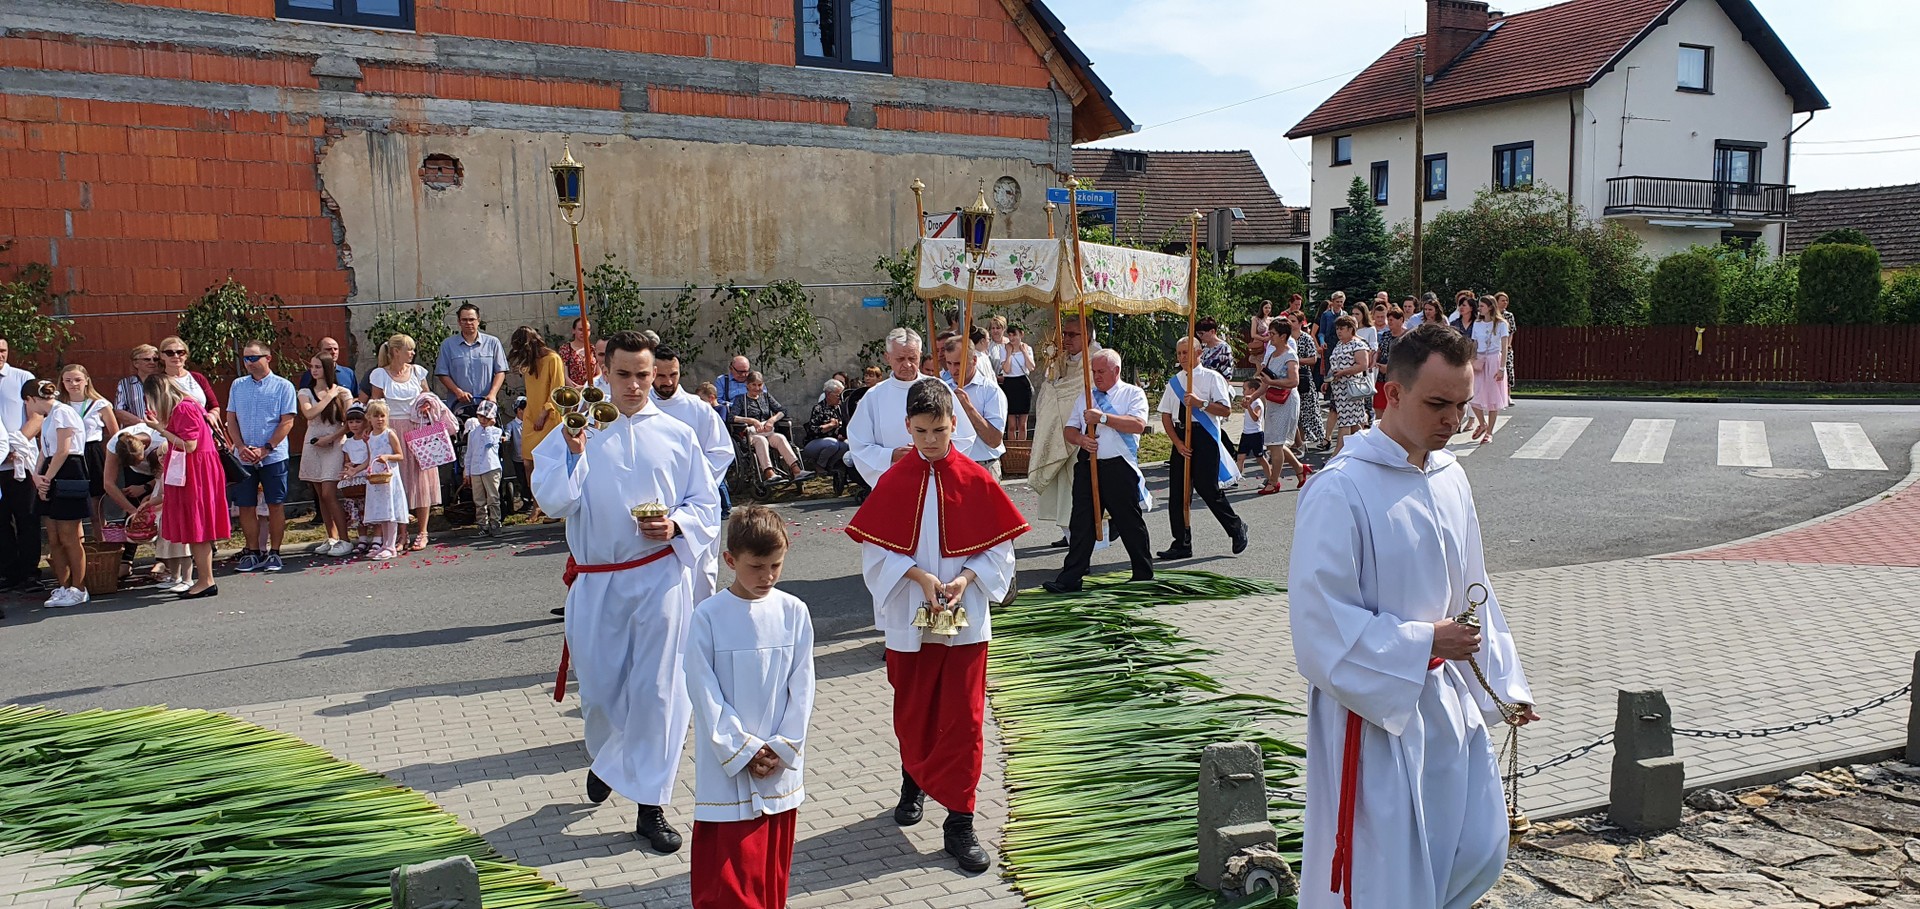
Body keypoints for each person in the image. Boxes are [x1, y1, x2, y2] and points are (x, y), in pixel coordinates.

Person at [1288, 322, 1537, 909]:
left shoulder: (1451, 477)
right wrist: (1423, 642)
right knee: (1384, 872)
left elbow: (1474, 589)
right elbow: (1320, 622)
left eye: (1461, 404)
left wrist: (1504, 687)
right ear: (1393, 394)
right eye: (1437, 404)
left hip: (1445, 699)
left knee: (1474, 846)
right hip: (1373, 710)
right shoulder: (1340, 488)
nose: (1453, 419)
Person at [532, 330, 722, 854]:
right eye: (623, 375)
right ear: (605, 371)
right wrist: (573, 455)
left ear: (653, 373)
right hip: (597, 580)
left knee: (660, 693)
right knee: (600, 693)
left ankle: (650, 806)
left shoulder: (677, 434)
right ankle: (610, 760)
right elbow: (553, 501)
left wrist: (677, 525)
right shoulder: (577, 428)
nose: (634, 386)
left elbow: (706, 504)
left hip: (661, 576)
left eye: (642, 375)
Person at [845, 379, 1026, 873]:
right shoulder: (892, 481)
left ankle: (961, 820)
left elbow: (1000, 551)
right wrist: (921, 577)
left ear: (953, 425)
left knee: (965, 718)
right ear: (907, 426)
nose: (929, 440)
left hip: (966, 619)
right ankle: (914, 779)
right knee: (915, 708)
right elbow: (874, 552)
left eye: (939, 430)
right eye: (921, 430)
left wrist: (965, 579)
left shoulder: (976, 478)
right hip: (910, 612)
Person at [685, 505, 816, 909]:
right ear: (730, 560)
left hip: (777, 764)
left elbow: (803, 687)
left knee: (769, 874)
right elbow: (703, 691)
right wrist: (743, 750)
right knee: (728, 881)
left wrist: (780, 747)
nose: (768, 577)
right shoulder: (708, 616)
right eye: (756, 567)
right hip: (727, 765)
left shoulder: (793, 612)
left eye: (776, 565)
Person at [1043, 348, 1153, 594]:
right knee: (1081, 522)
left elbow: (1138, 425)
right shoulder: (1086, 397)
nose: (1097, 376)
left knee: (1129, 521)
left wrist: (1102, 418)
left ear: (1116, 371)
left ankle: (1143, 573)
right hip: (1088, 464)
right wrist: (1081, 440)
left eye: (1102, 371)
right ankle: (1071, 577)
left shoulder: (1132, 394)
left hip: (1119, 466)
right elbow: (1070, 429)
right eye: (1094, 371)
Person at [651, 347, 736, 604]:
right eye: (661, 376)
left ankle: (700, 625)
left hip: (695, 505)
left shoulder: (698, 409)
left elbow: (721, 452)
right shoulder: (640, 408)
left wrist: (692, 482)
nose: (668, 382)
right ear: (651, 372)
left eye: (673, 375)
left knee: (701, 576)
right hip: (655, 506)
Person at [846, 328, 978, 489]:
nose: (907, 364)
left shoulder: (939, 388)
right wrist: (891, 455)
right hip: (894, 481)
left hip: (934, 480)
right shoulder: (874, 396)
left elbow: (964, 437)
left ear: (920, 355)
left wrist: (933, 453)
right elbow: (859, 445)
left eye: (912, 358)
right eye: (900, 359)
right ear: (888, 357)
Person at [1158, 338, 1248, 560]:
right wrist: (1177, 443)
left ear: (1199, 353)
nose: (1182, 357)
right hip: (1181, 436)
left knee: (1208, 489)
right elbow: (1166, 416)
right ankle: (1181, 542)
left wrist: (1201, 404)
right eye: (1179, 353)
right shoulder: (1175, 382)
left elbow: (1226, 410)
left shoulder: (1211, 378)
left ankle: (1236, 527)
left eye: (1186, 352)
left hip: (1204, 436)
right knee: (1178, 493)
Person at [145, 373, 228, 598]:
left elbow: (189, 445)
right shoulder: (188, 405)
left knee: (197, 526)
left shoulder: (183, 408)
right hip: (194, 469)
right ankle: (205, 580)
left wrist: (159, 428)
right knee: (196, 527)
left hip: (195, 471)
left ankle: (206, 580)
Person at [225, 341, 297, 573]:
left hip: (273, 456)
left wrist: (266, 448)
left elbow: (287, 421)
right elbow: (231, 418)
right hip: (244, 456)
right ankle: (253, 551)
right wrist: (239, 446)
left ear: (268, 358)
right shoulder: (238, 385)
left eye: (254, 358)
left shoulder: (283, 386)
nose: (249, 363)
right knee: (246, 505)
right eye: (246, 358)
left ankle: (274, 552)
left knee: (275, 504)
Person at [1026, 316, 1094, 546]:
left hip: (1082, 435)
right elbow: (1052, 389)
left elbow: (1077, 393)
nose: (1066, 339)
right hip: (1060, 431)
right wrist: (1051, 383)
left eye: (1072, 334)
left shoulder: (1095, 360)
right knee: (1062, 486)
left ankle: (1087, 533)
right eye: (1064, 334)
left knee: (1078, 486)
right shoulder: (1061, 359)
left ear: (1087, 336)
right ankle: (1069, 531)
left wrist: (1053, 391)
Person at [369, 333, 440, 551]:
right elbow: (376, 404)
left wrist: (426, 405)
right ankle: (402, 533)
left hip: (417, 428)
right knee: (398, 481)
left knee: (421, 479)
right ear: (396, 351)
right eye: (409, 349)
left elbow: (428, 396)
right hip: (393, 431)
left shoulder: (417, 371)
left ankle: (423, 531)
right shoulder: (380, 374)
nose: (413, 353)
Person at [26, 380, 89, 607]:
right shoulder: (48, 418)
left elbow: (63, 449)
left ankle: (79, 588)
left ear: (31, 399)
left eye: (27, 403)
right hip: (50, 470)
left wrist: (48, 479)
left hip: (68, 470)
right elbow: (45, 451)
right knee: (53, 536)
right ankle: (63, 586)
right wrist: (38, 476)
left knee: (69, 535)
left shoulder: (63, 412)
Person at [105, 424, 189, 591]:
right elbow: (108, 483)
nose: (139, 464)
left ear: (144, 446)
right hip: (155, 481)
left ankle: (169, 567)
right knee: (144, 519)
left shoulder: (160, 441)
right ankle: (128, 559)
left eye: (139, 460)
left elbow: (169, 476)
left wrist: (146, 488)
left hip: (163, 479)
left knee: (169, 532)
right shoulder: (115, 445)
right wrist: (133, 510)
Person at [508, 326, 566, 524]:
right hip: (530, 418)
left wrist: (544, 412)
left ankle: (555, 508)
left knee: (550, 465)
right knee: (528, 463)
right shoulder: (530, 363)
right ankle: (537, 505)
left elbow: (558, 390)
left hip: (549, 417)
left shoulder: (553, 359)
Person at [298, 355, 353, 558]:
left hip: (334, 443)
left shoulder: (344, 393)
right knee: (320, 493)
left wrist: (331, 438)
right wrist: (329, 396)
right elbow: (309, 413)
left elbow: (349, 422)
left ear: (328, 368)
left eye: (318, 367)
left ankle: (345, 539)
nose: (314, 370)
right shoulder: (305, 392)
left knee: (329, 492)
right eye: (312, 367)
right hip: (313, 444)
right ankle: (332, 537)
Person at [57, 364, 117, 539]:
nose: (73, 384)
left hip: (92, 452)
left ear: (86, 381)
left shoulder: (100, 404)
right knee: (74, 507)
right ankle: (80, 548)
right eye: (68, 380)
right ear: (62, 382)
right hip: (68, 454)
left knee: (95, 507)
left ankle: (102, 545)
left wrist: (113, 460)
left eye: (77, 380)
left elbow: (115, 435)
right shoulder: (59, 406)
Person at [940, 332, 1007, 479]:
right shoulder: (943, 388)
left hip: (983, 466)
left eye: (958, 363)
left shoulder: (991, 391)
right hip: (952, 466)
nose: (953, 370)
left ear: (974, 360)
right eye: (949, 363)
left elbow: (994, 440)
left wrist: (968, 408)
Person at [1255, 324, 1311, 495]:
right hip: (1273, 401)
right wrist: (1252, 397)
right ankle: (1299, 468)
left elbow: (1294, 381)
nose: (1269, 337)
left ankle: (1273, 482)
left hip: (1286, 401)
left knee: (1276, 444)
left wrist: (1273, 382)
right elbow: (1265, 382)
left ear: (1283, 336)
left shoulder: (1290, 355)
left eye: (1273, 334)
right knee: (1274, 443)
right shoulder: (1272, 355)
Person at [729, 371, 811, 484]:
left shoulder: (766, 396)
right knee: (761, 440)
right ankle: (769, 473)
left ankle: (797, 471)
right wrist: (752, 421)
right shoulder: (740, 399)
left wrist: (772, 420)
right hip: (751, 435)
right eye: (753, 385)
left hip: (768, 431)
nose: (757, 388)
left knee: (780, 438)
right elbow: (731, 417)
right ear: (747, 385)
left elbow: (782, 411)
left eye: (759, 385)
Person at [358, 401, 410, 561]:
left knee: (390, 510)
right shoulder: (370, 437)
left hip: (389, 478)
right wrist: (355, 470)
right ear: (369, 418)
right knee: (383, 512)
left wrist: (387, 457)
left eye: (382, 416)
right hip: (377, 480)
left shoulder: (389, 434)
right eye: (376, 416)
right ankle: (384, 544)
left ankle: (391, 546)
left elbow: (400, 455)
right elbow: (370, 458)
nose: (380, 419)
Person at [434, 302, 507, 414]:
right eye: (464, 320)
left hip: (486, 406)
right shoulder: (448, 345)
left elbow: (500, 371)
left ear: (478, 320)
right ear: (459, 322)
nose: (468, 323)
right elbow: (442, 373)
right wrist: (458, 392)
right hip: (458, 406)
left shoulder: (493, 343)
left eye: (471, 319)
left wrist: (492, 394)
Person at [1325, 317, 1372, 456]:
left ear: (1351, 329)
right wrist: (1326, 381)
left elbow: (1363, 365)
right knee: (1354, 423)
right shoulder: (1339, 344)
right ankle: (1363, 451)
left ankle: (1338, 455)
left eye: (1342, 328)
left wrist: (1343, 372)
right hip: (1338, 389)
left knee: (1345, 422)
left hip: (1351, 389)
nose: (1339, 331)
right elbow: (1334, 365)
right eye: (1337, 329)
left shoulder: (1358, 344)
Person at [1469, 296, 1512, 444]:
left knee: (1493, 397)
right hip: (1480, 360)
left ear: (1490, 307)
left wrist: (1502, 368)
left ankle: (1489, 432)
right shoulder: (1477, 324)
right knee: (1472, 394)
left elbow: (1504, 347)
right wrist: (1472, 360)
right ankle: (1482, 423)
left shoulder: (1501, 324)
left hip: (1494, 359)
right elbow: (1474, 344)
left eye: (1482, 306)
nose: (1479, 308)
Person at [1287, 313, 1331, 454]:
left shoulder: (1306, 338)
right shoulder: (1285, 338)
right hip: (1289, 378)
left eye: (1293, 321)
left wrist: (1295, 361)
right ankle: (1297, 442)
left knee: (1308, 411)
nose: (1290, 323)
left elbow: (1313, 359)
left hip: (1303, 377)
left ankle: (1318, 439)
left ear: (1300, 323)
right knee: (1294, 413)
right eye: (1289, 320)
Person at [155, 336, 223, 426]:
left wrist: (211, 416)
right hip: (173, 430)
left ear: (186, 355)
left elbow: (214, 406)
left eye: (180, 352)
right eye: (169, 353)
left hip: (203, 429)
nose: (176, 356)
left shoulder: (198, 378)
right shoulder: (157, 382)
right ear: (162, 356)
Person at [464, 400, 505, 536]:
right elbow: (469, 453)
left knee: (493, 497)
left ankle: (495, 523)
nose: (483, 420)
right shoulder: (473, 433)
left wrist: (488, 427)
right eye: (481, 416)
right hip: (476, 469)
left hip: (490, 467)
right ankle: (483, 524)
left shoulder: (496, 431)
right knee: (479, 499)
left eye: (486, 417)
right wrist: (467, 471)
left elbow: (489, 444)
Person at [802, 379, 852, 490]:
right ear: (828, 394)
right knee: (832, 444)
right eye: (838, 395)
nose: (840, 399)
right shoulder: (818, 408)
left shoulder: (839, 408)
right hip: (814, 443)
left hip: (835, 442)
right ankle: (819, 465)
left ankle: (830, 466)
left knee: (846, 445)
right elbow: (812, 430)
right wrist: (830, 426)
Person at [338, 404, 372, 557]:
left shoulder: (368, 440)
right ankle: (362, 538)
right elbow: (347, 461)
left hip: (366, 475)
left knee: (369, 508)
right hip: (354, 477)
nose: (354, 425)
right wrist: (348, 466)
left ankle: (378, 537)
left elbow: (370, 456)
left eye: (358, 421)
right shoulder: (348, 443)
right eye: (351, 422)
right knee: (357, 510)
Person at [1234, 378, 1273, 490]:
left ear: (1252, 390)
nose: (1242, 392)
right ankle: (1235, 479)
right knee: (1240, 457)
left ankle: (1270, 478)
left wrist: (1249, 408)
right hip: (1246, 433)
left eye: (1244, 389)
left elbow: (1256, 417)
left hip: (1256, 434)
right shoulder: (1249, 401)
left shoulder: (1257, 403)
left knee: (1260, 458)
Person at [112, 344, 160, 428]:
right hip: (135, 430)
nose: (152, 362)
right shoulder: (125, 384)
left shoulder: (165, 383)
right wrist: (142, 424)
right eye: (147, 359)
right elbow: (118, 410)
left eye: (155, 359)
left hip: (161, 430)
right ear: (136, 363)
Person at [999, 325, 1034, 441]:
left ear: (1021, 334)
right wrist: (1009, 353)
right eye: (1009, 335)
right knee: (1012, 425)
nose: (1012, 338)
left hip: (1023, 383)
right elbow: (1007, 369)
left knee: (1022, 425)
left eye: (1014, 335)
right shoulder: (1004, 349)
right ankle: (1012, 448)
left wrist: (1024, 352)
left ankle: (1022, 447)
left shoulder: (1027, 348)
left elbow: (1031, 367)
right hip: (1010, 384)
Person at [558, 317, 596, 387]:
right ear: (573, 331)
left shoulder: (592, 349)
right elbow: (564, 375)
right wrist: (577, 388)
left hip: (592, 388)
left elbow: (599, 373)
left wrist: (589, 386)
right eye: (581, 330)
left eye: (587, 330)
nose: (584, 333)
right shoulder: (565, 349)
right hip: (573, 389)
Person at [715, 356, 753, 422]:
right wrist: (736, 405)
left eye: (746, 371)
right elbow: (717, 400)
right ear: (731, 369)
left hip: (753, 412)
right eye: (740, 372)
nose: (743, 375)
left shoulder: (753, 380)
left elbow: (764, 398)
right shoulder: (722, 380)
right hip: (731, 416)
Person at [1494, 291, 1517, 391]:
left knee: (1508, 369)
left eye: (1506, 300)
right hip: (1494, 347)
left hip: (1505, 347)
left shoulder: (1509, 315)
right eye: (1502, 300)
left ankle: (1508, 394)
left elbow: (1511, 331)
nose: (1505, 302)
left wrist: (1508, 346)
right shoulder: (1492, 315)